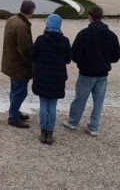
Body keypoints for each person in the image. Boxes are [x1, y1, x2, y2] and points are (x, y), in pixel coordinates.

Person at [62, 6, 120, 137]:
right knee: (98, 102)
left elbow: (75, 54)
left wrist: (82, 63)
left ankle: (72, 122)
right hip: (103, 74)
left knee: (80, 99)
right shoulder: (111, 35)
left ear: (90, 16)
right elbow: (116, 56)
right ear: (101, 16)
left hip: (87, 73)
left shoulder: (84, 34)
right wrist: (106, 61)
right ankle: (93, 127)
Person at [31, 14, 71, 145]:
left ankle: (43, 132)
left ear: (47, 25)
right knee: (52, 106)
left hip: (42, 76)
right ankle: (50, 132)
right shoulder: (65, 41)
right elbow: (68, 59)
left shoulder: (41, 39)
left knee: (43, 105)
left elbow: (33, 57)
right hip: (57, 77)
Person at [2, 0, 36, 128]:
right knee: (21, 92)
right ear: (32, 11)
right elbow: (24, 49)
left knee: (14, 89)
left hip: (10, 62)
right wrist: (31, 63)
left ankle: (14, 111)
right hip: (18, 65)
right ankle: (13, 117)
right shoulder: (21, 25)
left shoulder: (12, 19)